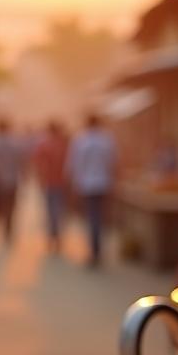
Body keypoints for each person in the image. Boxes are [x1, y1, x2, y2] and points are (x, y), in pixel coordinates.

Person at [66, 113, 117, 267]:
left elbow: (74, 164)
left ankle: (94, 250)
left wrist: (73, 185)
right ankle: (98, 249)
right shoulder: (106, 140)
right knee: (100, 218)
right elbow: (113, 162)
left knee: (91, 218)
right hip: (103, 183)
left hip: (86, 185)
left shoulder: (80, 141)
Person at [33, 120, 69, 252]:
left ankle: (51, 237)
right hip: (61, 182)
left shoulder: (44, 144)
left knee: (49, 211)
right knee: (58, 210)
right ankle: (57, 237)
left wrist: (40, 178)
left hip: (48, 181)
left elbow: (38, 163)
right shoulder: (63, 144)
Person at [0, 118, 23, 242]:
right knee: (11, 207)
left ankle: (3, 228)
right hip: (12, 179)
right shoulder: (14, 144)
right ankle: (8, 229)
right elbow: (20, 162)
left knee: (1, 207)